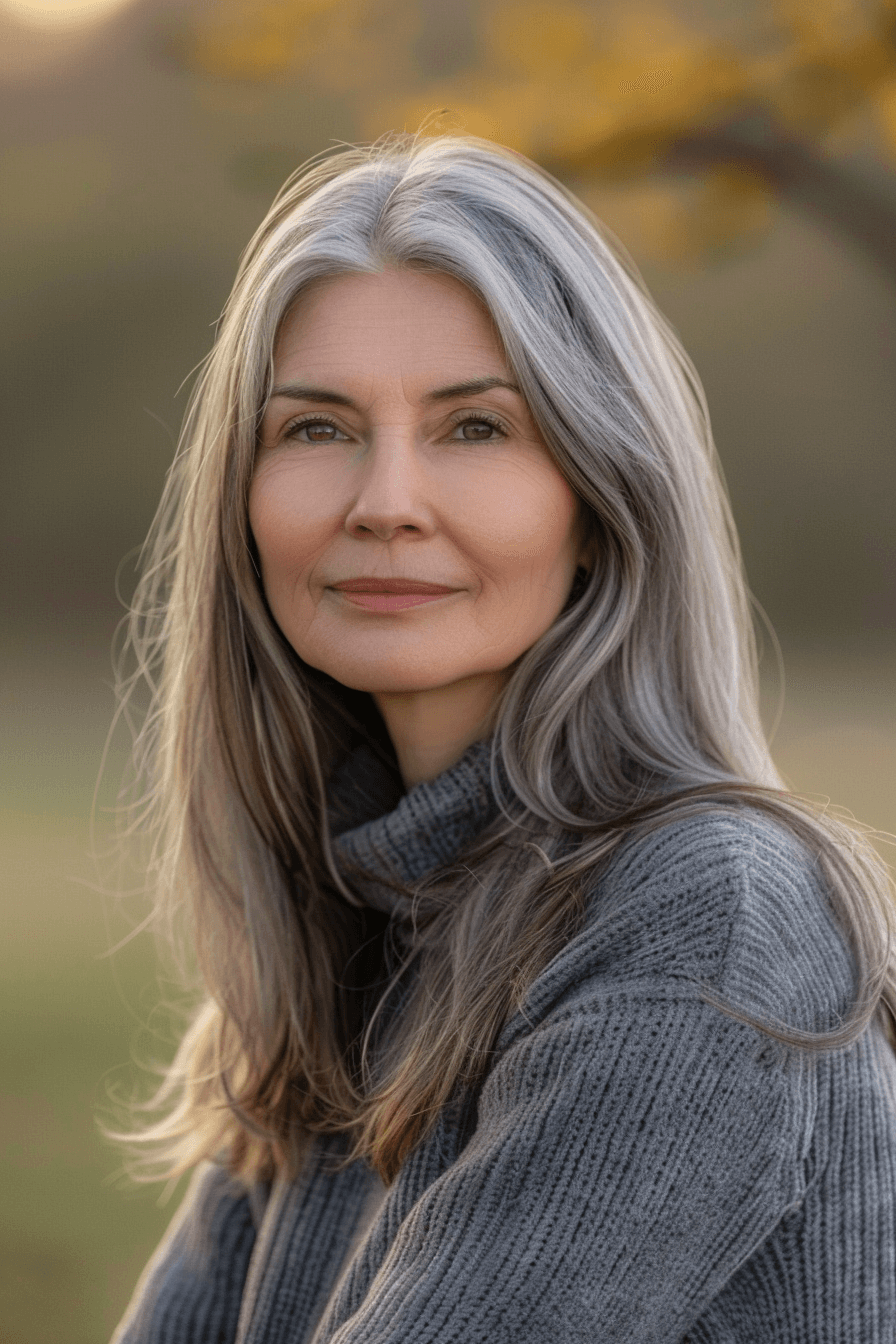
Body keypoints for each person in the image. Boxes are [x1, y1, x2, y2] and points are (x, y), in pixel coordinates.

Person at [108, 130, 896, 1343]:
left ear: (599, 500)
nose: (384, 504)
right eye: (316, 429)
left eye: (474, 428)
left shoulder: (702, 918)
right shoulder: (350, 939)